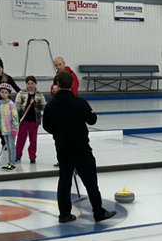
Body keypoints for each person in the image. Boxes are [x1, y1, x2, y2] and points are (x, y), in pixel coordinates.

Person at [42, 70, 115, 222]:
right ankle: (98, 212)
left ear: (57, 84)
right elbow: (92, 120)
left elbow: (46, 126)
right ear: (72, 84)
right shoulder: (79, 102)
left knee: (64, 180)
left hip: (62, 147)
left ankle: (64, 214)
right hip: (81, 147)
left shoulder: (50, 105)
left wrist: (59, 133)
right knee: (90, 181)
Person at [14, 76, 46, 165]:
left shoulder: (39, 94)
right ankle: (17, 156)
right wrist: (17, 118)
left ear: (35, 84)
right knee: (21, 139)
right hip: (24, 121)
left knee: (33, 140)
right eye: (28, 84)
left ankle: (32, 157)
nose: (30, 85)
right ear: (26, 84)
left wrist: (35, 104)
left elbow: (43, 107)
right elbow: (17, 107)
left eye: (32, 83)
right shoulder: (21, 93)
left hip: (34, 121)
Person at [0, 83, 19, 169]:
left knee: (12, 146)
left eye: (6, 92)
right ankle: (9, 162)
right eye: (2, 92)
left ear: (9, 93)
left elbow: (15, 117)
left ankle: (12, 163)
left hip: (11, 129)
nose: (3, 94)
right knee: (7, 146)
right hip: (4, 130)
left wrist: (14, 128)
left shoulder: (11, 104)